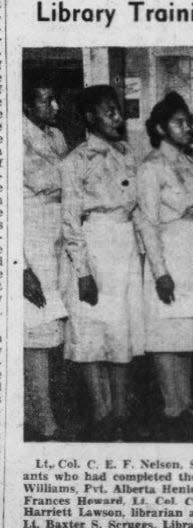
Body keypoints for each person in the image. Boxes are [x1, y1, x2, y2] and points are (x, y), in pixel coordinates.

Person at [60, 85, 145, 441]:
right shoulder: (76, 160)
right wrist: (83, 272)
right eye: (109, 111)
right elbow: (69, 220)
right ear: (90, 118)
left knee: (120, 331)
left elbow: (135, 207)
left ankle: (122, 410)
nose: (117, 117)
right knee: (93, 332)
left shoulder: (126, 153)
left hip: (123, 247)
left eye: (118, 110)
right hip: (94, 248)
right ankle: (101, 411)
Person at [137, 92, 193, 439]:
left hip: (192, 255)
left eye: (189, 122)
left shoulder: (189, 162)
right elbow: (148, 222)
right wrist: (160, 272)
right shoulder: (151, 166)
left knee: (186, 333)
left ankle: (185, 401)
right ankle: (171, 407)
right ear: (161, 128)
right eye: (180, 122)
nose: (188, 128)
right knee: (166, 335)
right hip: (168, 258)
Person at [23, 78, 69, 440]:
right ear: (25, 104)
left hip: (55, 236)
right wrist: (20, 269)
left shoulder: (56, 136)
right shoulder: (14, 136)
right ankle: (40, 418)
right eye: (45, 100)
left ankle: (48, 409)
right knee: (34, 333)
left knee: (54, 329)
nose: (53, 107)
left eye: (54, 100)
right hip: (29, 240)